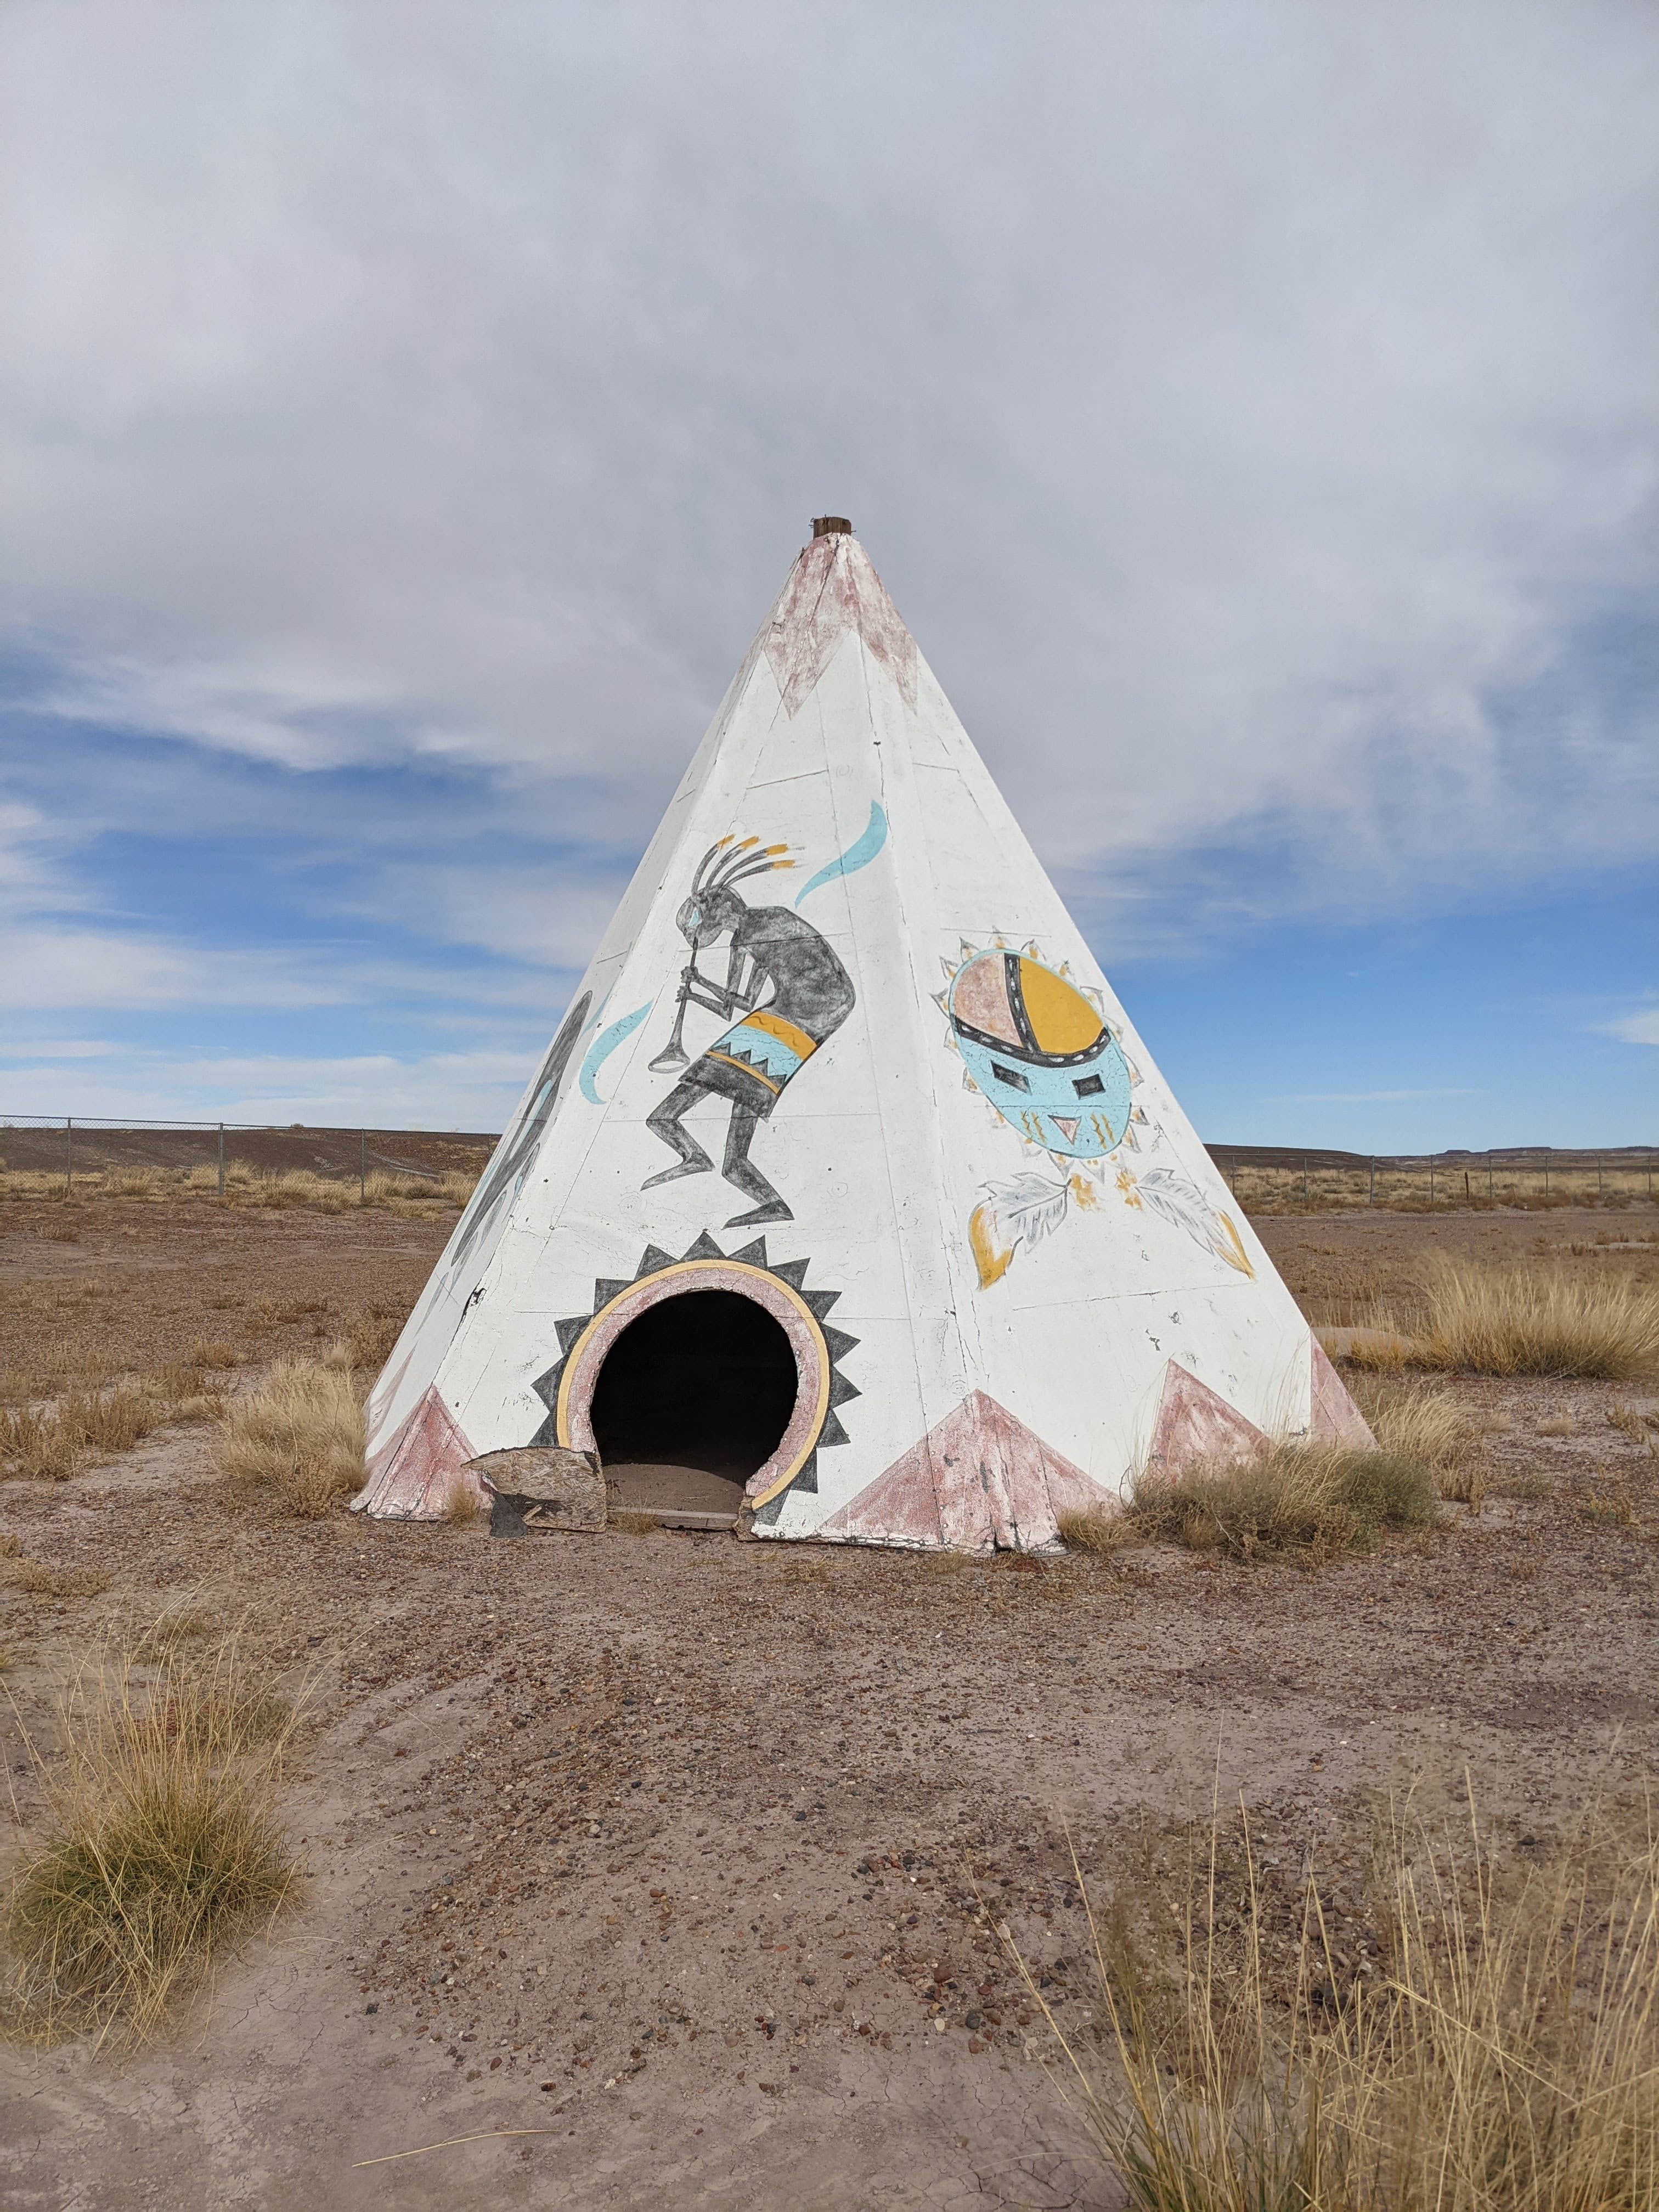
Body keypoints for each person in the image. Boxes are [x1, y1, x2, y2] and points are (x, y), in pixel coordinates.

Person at [643, 838, 855, 1226]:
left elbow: (733, 1005)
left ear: (718, 914)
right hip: (803, 1013)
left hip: (801, 1016)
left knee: (720, 1081)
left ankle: (702, 1156)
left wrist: (697, 986)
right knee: (728, 1092)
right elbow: (737, 1003)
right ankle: (718, 1167)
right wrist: (698, 986)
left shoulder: (750, 935)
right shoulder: (766, 922)